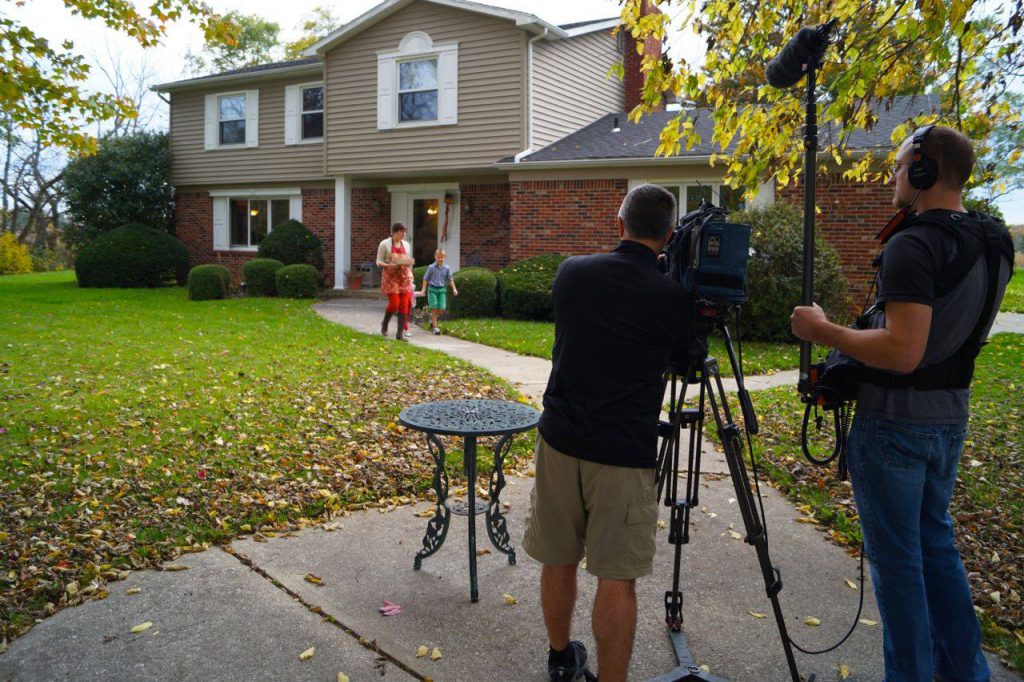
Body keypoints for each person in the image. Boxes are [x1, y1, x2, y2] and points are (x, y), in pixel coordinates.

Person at [791, 125, 1013, 682]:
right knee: (937, 549)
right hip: (948, 422)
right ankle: (966, 673)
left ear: (922, 171)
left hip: (895, 425)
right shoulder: (991, 239)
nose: (892, 176)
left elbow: (902, 349)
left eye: (898, 165)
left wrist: (824, 331)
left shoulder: (913, 244)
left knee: (899, 568)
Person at [522, 184, 693, 682]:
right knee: (616, 577)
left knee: (558, 558)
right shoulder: (673, 298)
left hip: (559, 440)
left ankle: (560, 659)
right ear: (668, 235)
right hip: (623, 454)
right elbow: (685, 359)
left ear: (619, 225)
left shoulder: (572, 273)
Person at [376, 223, 414, 341]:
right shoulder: (385, 244)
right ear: (394, 232)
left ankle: (399, 334)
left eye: (404, 232)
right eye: (401, 232)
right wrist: (388, 265)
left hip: (404, 278)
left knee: (404, 306)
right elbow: (379, 261)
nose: (404, 234)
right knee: (394, 304)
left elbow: (406, 260)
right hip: (391, 277)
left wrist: (409, 268)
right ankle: (385, 323)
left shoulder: (406, 245)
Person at [420, 248, 459, 335]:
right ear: (435, 257)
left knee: (442, 308)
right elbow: (425, 279)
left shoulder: (447, 268)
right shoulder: (431, 267)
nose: (440, 259)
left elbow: (450, 279)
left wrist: (454, 289)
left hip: (442, 290)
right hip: (432, 290)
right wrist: (423, 289)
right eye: (438, 257)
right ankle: (435, 328)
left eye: (442, 257)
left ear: (444, 257)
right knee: (434, 308)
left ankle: (431, 318)